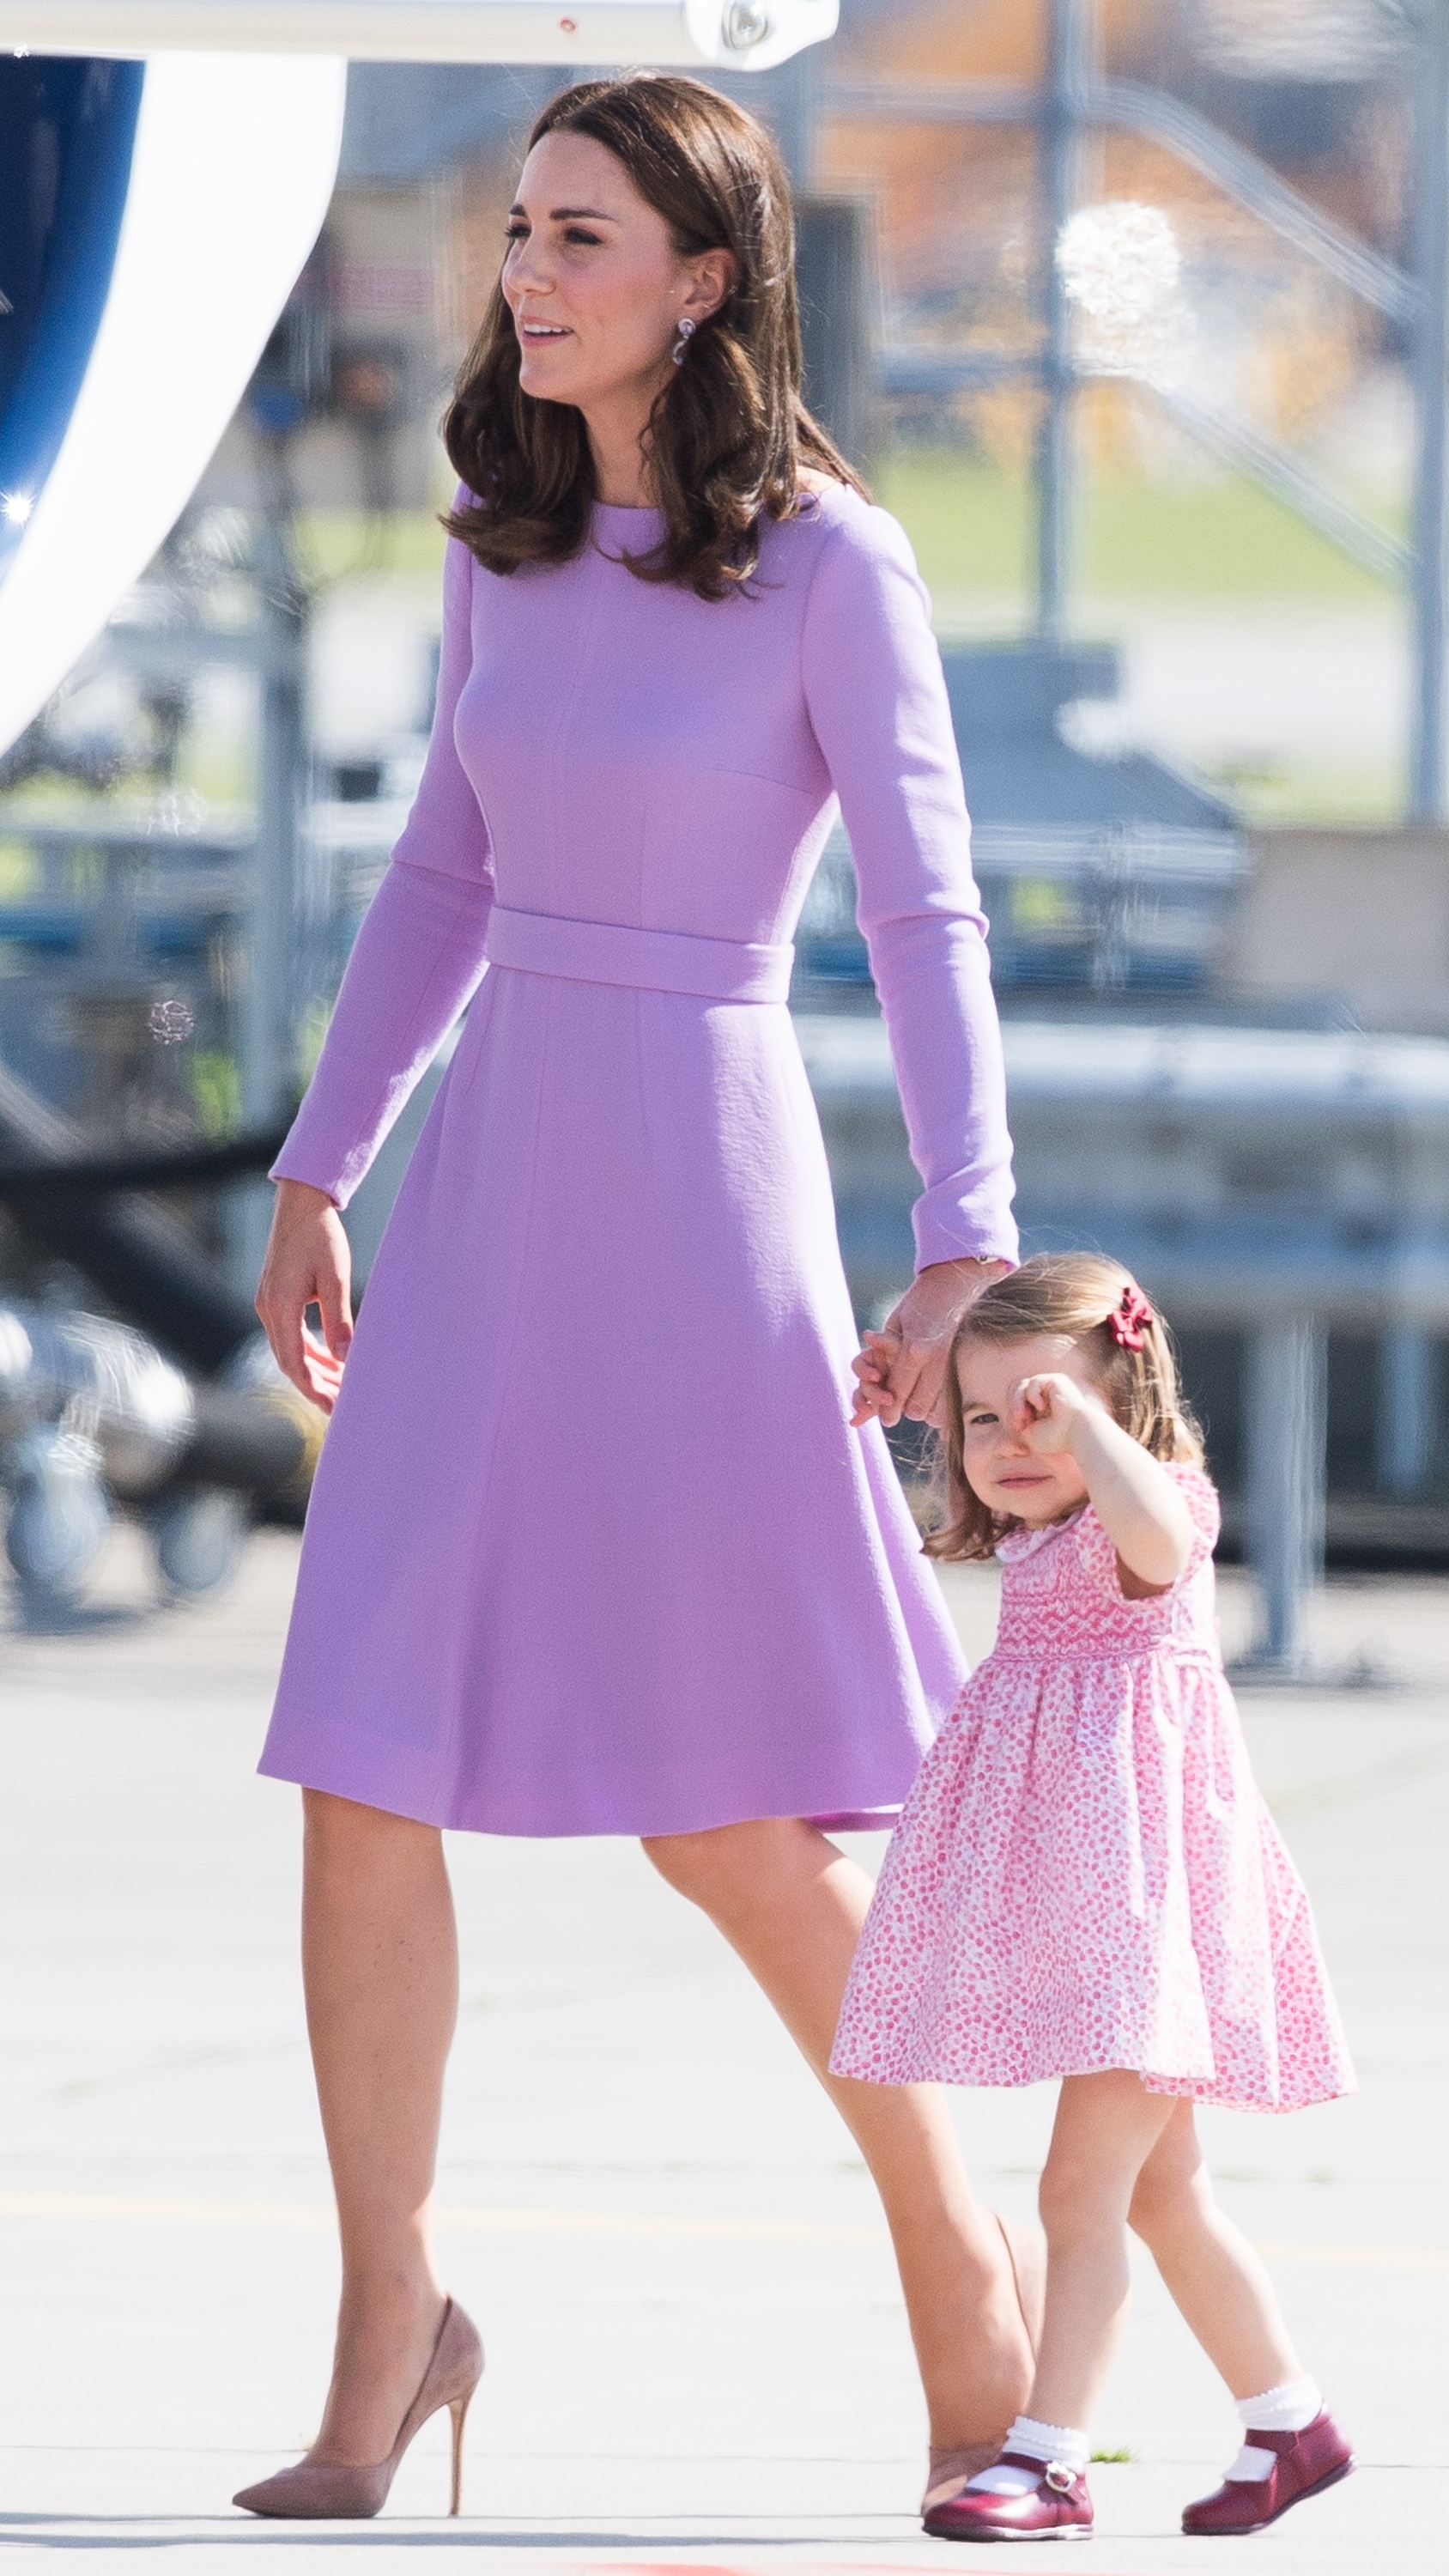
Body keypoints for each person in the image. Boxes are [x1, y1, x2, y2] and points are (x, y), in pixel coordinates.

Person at [238, 71, 1040, 2524]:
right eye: (520, 230)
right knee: (363, 1767)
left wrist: (963, 1226)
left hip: (704, 1190)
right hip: (491, 1193)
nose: (529, 272)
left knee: (732, 1820)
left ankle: (959, 2255)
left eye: (582, 236)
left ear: (707, 278)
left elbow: (925, 910)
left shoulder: (830, 566)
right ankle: (396, 2313)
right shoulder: (498, 542)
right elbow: (441, 883)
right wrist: (317, 1165)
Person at [830, 1254, 1357, 2543]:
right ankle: (1292, 2423)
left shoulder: (1149, 1512)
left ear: (1119, 1403)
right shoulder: (1035, 1530)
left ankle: (1050, 2461)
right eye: (983, 1419)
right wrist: (921, 1386)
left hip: (1149, 1917)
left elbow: (1165, 1537)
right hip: (1086, 1905)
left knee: (1082, 2196)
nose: (1010, 1443)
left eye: (1045, 1413)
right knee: (1165, 2195)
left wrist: (1092, 1436)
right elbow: (972, 1430)